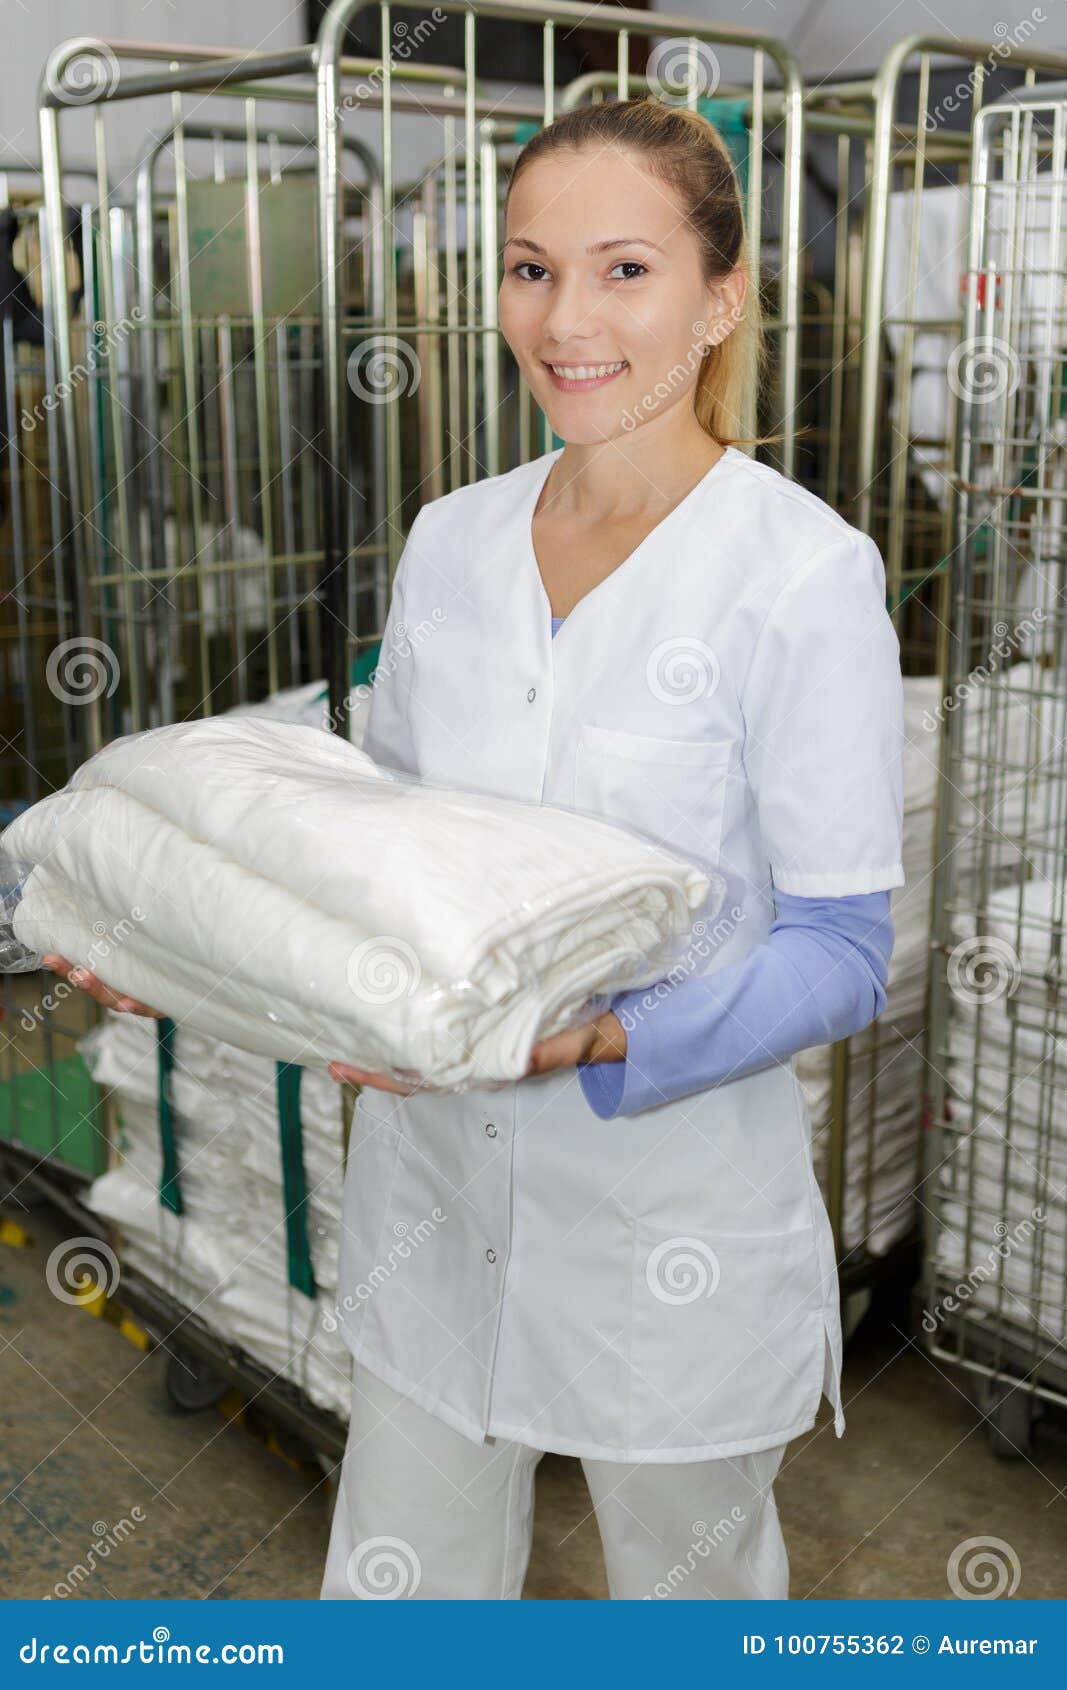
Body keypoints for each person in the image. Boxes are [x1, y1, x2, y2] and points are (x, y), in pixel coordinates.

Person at [47, 98, 904, 1601]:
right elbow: (376, 843)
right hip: (430, 1202)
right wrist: (187, 947)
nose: (564, 320)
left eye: (623, 270)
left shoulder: (802, 576)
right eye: (528, 268)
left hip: (669, 1229)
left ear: (723, 297)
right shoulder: (453, 536)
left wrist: (604, 1036)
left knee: (689, 1609)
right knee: (404, 1597)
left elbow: (839, 950)